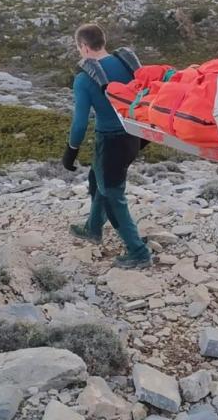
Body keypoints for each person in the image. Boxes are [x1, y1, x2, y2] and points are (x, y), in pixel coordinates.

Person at [63, 23, 153, 269]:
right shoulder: (125, 64)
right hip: (134, 136)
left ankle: (138, 252)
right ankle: (93, 228)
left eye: (78, 47)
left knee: (113, 195)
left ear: (83, 46)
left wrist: (70, 151)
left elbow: (80, 123)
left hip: (110, 142)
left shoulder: (84, 79)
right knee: (97, 179)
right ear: (103, 41)